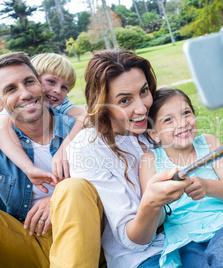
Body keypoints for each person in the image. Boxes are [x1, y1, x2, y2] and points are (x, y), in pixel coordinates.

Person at [0, 52, 103, 268]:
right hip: (25, 240)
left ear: (38, 82)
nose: (26, 94)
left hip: (84, 237)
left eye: (29, 82)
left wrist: (57, 201)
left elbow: (117, 184)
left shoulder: (79, 129)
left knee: (73, 188)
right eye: (11, 89)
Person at [67, 50, 192, 268]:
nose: (142, 108)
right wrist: (152, 202)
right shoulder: (88, 147)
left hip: (193, 236)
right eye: (124, 100)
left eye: (144, 91)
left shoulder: (158, 123)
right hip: (143, 257)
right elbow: (132, 242)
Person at [139, 88, 223, 267]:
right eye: (168, 120)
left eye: (186, 113)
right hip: (187, 242)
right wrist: (161, 200)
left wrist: (207, 187)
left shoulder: (209, 143)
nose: (182, 123)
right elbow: (155, 216)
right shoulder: (149, 161)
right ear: (154, 134)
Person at [0, 53, 87, 193]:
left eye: (64, 88)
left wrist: (66, 146)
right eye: (51, 82)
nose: (57, 91)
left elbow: (87, 115)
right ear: (35, 78)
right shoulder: (15, 109)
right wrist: (29, 168)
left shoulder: (60, 105)